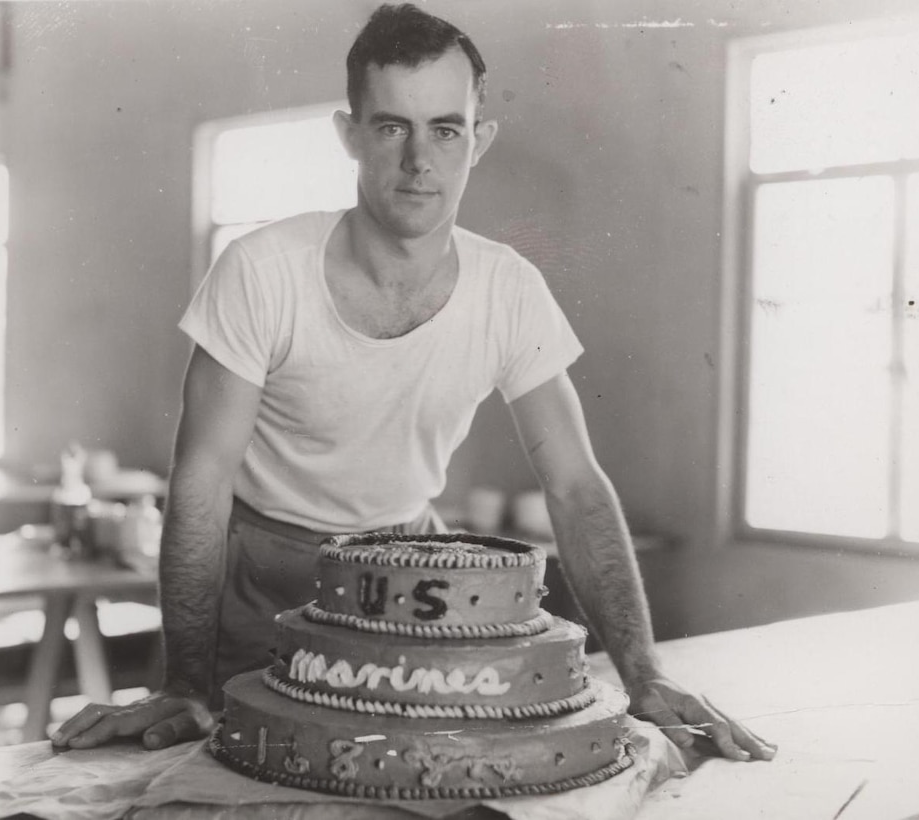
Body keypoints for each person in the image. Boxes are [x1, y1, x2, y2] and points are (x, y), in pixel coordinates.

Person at [52, 3, 775, 763]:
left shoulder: (509, 287)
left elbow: (576, 486)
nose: (419, 161)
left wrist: (645, 673)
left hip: (410, 582)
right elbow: (201, 480)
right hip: (260, 581)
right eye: (392, 126)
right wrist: (188, 684)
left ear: (479, 141)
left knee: (423, 783)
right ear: (350, 135)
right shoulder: (263, 270)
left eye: (446, 129)